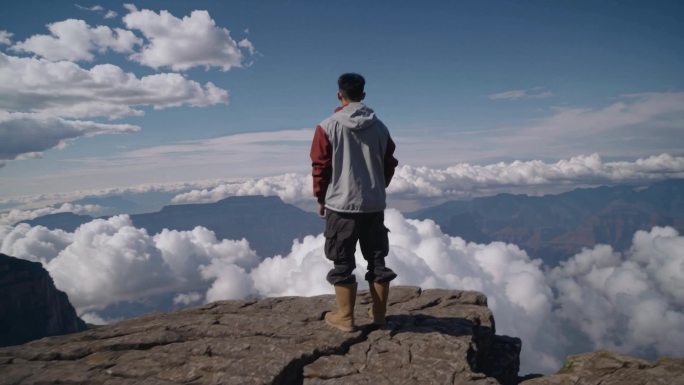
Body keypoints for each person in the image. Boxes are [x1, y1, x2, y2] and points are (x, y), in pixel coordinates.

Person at [310, 73, 398, 332]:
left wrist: (321, 197)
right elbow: (389, 162)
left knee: (342, 261)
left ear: (340, 95)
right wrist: (378, 187)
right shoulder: (381, 127)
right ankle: (379, 314)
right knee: (377, 259)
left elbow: (320, 166)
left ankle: (346, 317)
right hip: (373, 205)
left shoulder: (326, 127)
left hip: (341, 206)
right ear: (364, 95)